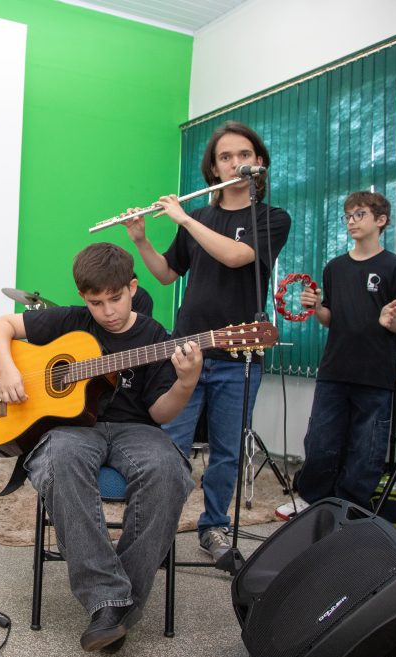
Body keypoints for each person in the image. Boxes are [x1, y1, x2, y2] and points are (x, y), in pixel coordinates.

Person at [0, 242, 200, 653]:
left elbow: (161, 413)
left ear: (133, 287)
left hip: (135, 428)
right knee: (59, 461)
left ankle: (111, 608)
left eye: (115, 299)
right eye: (96, 302)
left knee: (168, 471)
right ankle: (109, 602)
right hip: (72, 429)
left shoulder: (155, 337)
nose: (107, 311)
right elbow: (0, 326)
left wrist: (186, 382)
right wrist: (8, 368)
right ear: (84, 297)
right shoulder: (72, 321)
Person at [123, 121, 292, 561]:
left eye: (245, 155)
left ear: (259, 163)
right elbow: (165, 274)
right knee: (170, 445)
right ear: (214, 170)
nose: (237, 162)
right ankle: (157, 527)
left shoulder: (272, 219)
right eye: (226, 157)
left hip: (240, 355)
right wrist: (141, 241)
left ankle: (213, 527)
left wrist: (182, 218)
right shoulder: (199, 217)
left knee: (227, 452)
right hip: (188, 351)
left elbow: (238, 257)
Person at [280, 191, 396, 518]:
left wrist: (389, 319)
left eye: (360, 215)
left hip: (375, 374)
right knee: (320, 441)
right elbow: (330, 317)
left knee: (366, 449)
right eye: (348, 216)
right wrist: (315, 309)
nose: (352, 222)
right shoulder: (335, 267)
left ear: (380, 221)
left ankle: (350, 508)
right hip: (334, 370)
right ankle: (312, 500)